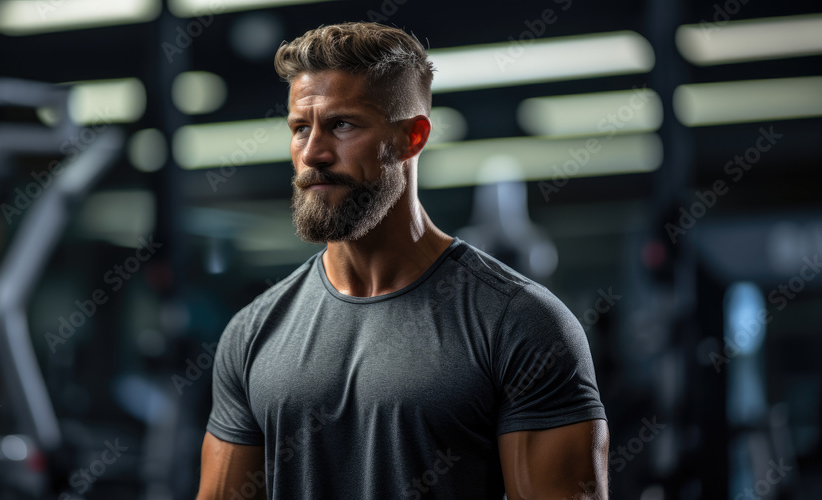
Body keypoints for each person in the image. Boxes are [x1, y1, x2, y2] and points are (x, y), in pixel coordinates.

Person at [196, 22, 609, 499]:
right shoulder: (252, 333)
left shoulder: (520, 323)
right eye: (300, 128)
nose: (312, 153)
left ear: (412, 138)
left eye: (342, 125)